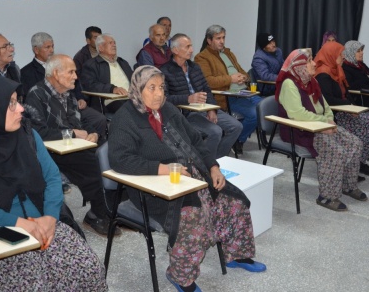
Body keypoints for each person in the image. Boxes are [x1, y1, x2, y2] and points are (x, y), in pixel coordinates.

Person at [0, 76, 107, 291]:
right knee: (34, 285)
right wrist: (19, 223)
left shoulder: (27, 134)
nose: (21, 109)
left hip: (44, 221)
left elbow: (52, 177)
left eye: (18, 101)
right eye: (11, 103)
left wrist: (50, 217)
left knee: (88, 270)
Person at [109, 66, 265, 292]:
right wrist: (161, 168)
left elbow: (196, 140)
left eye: (161, 87)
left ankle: (237, 254)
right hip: (156, 187)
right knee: (193, 218)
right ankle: (180, 276)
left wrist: (213, 167)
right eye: (151, 88)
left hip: (193, 175)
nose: (159, 93)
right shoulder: (125, 118)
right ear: (137, 89)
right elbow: (119, 159)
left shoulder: (168, 109)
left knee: (235, 200)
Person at [26, 54, 110, 235]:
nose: (75, 77)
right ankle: (98, 214)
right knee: (93, 164)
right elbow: (37, 133)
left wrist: (93, 133)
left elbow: (79, 122)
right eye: (71, 72)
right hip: (50, 152)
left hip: (72, 147)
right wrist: (71, 133)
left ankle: (109, 209)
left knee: (108, 154)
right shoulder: (36, 95)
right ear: (56, 73)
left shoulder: (68, 94)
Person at [277, 49, 367, 212]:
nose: (314, 63)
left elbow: (326, 107)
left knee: (355, 143)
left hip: (320, 125)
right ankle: (327, 196)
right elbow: (297, 114)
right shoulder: (289, 84)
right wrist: (324, 122)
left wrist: (328, 120)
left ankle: (348, 185)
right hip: (300, 129)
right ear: (298, 66)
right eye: (309, 61)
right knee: (335, 151)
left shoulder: (312, 81)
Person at [161, 33, 242, 159]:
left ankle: (218, 159)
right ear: (175, 50)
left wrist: (212, 109)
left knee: (236, 126)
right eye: (187, 47)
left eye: (191, 46)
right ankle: (205, 163)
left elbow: (207, 90)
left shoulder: (194, 67)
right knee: (215, 131)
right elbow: (164, 99)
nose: (191, 50)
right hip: (186, 113)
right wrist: (188, 99)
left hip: (204, 107)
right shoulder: (165, 71)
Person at [314, 41, 369, 177]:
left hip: (344, 109)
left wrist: (352, 106)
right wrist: (348, 106)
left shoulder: (337, 69)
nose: (343, 56)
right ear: (332, 55)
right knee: (366, 127)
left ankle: (359, 163)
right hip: (333, 114)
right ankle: (351, 166)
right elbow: (327, 99)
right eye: (340, 54)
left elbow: (346, 92)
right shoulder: (323, 74)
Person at [195, 25, 261, 154]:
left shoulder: (228, 53)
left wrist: (244, 78)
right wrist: (231, 79)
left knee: (264, 107)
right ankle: (238, 140)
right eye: (218, 38)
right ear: (209, 40)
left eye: (223, 38)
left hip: (243, 92)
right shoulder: (202, 57)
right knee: (255, 114)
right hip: (227, 96)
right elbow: (208, 81)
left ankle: (237, 139)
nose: (222, 41)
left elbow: (242, 71)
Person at [81, 33, 133, 113]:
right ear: (101, 48)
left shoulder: (123, 62)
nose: (114, 45)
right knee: (129, 110)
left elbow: (134, 79)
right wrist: (112, 89)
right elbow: (90, 85)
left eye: (114, 43)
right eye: (110, 43)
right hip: (111, 100)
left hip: (131, 97)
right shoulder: (91, 65)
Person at [250, 32, 284, 96]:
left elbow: (284, 67)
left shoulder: (278, 51)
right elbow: (265, 76)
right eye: (269, 43)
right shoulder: (258, 58)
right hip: (267, 87)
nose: (273, 45)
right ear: (263, 47)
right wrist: (282, 78)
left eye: (273, 41)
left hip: (279, 83)